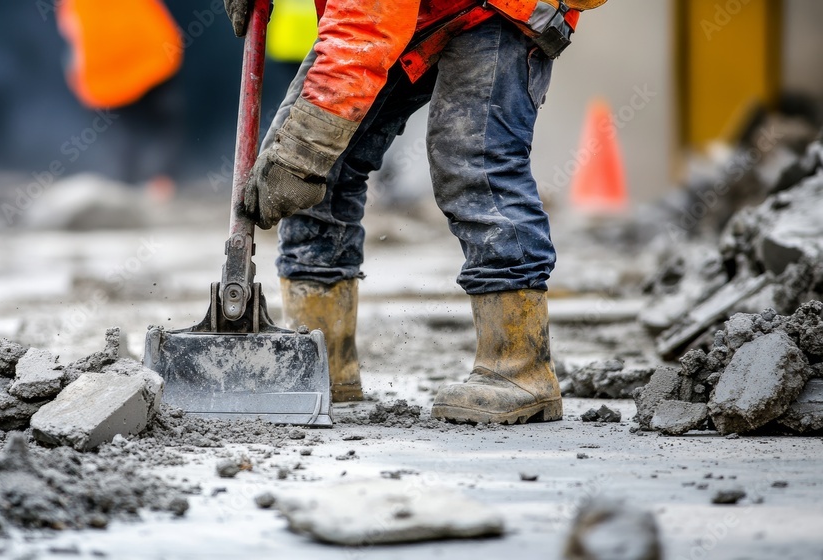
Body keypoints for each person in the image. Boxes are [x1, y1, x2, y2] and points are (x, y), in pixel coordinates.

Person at [226, 0, 606, 423]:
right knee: (300, 172)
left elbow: (365, 26)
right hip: (412, 10)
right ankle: (323, 363)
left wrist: (303, 153)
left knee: (473, 162)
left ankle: (519, 368)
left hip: (496, 9)